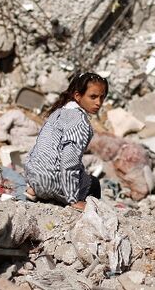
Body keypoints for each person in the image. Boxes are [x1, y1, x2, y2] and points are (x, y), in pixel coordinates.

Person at [25, 72, 107, 210]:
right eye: (93, 97)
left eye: (102, 97)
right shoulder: (80, 122)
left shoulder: (57, 113)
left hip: (34, 180)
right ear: (77, 96)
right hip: (51, 183)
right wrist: (72, 199)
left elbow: (39, 148)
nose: (98, 102)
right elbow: (70, 161)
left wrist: (33, 183)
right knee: (94, 183)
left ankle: (34, 191)